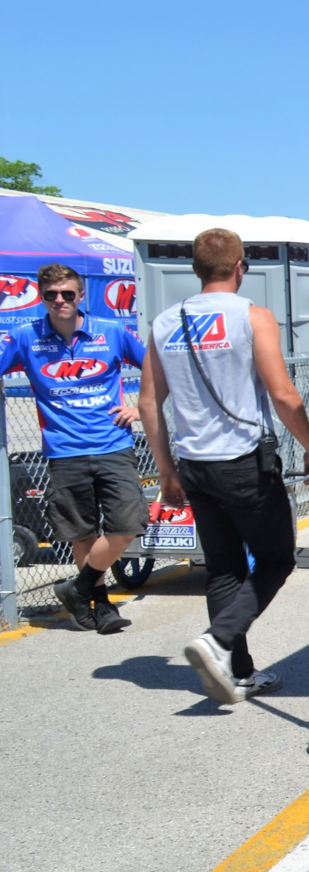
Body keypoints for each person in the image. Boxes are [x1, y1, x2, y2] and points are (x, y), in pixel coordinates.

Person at [138, 228, 309, 704]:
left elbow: (148, 404)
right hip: (244, 461)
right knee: (277, 558)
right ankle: (217, 640)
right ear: (241, 266)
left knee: (223, 568)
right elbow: (283, 394)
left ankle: (237, 673)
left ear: (195, 269)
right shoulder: (252, 316)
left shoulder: (165, 322)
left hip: (194, 463)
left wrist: (166, 471)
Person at [0, 263, 148, 633]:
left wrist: (139, 408)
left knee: (128, 525)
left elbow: (156, 369)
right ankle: (98, 607)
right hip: (63, 449)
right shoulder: (25, 337)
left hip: (112, 443)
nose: (60, 301)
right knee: (82, 533)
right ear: (42, 297)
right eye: (51, 295)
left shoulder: (111, 331)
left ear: (82, 296)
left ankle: (78, 588)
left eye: (68, 294)